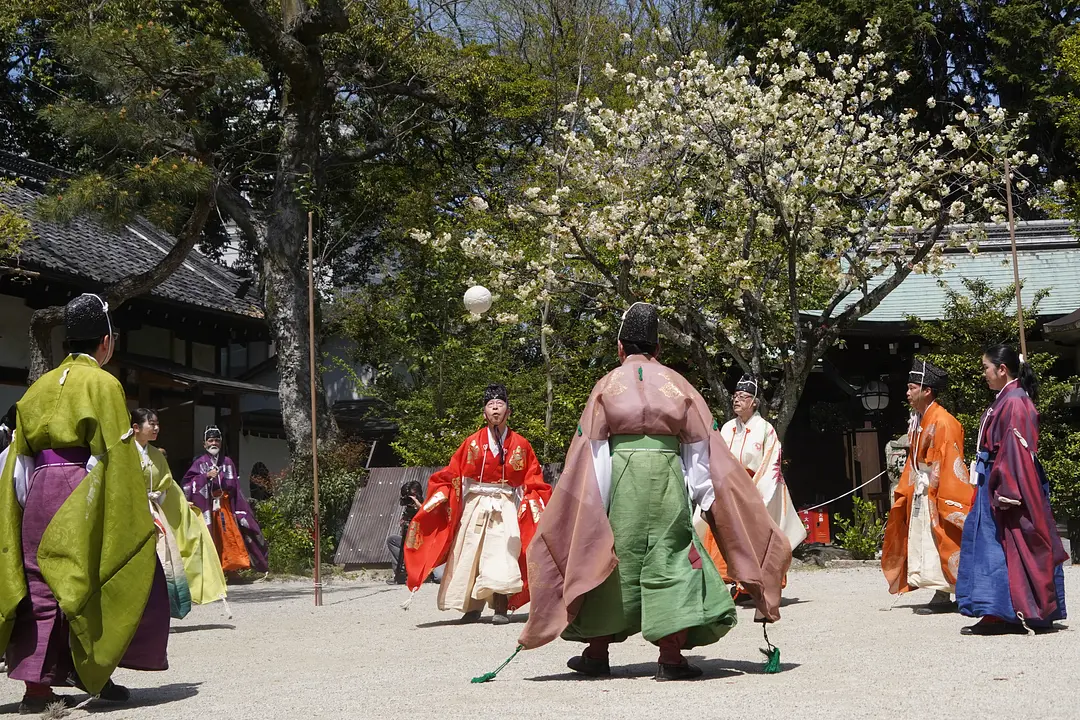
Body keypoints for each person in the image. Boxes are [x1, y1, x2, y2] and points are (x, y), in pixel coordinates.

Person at [519, 302, 791, 680]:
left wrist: (594, 506)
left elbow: (593, 453)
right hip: (666, 477)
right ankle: (670, 657)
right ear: (657, 349)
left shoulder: (606, 386)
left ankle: (597, 655)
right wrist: (708, 500)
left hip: (621, 476)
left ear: (619, 348)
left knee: (610, 555)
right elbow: (700, 451)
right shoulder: (679, 385)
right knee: (674, 555)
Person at [0, 294, 169, 713]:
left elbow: (18, 458)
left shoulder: (37, 386)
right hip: (83, 487)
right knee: (91, 579)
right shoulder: (104, 384)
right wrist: (124, 510)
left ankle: (36, 692)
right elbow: (111, 452)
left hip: (37, 487)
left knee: (40, 584)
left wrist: (22, 505)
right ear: (106, 342)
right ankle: (92, 670)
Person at [404, 384, 551, 625]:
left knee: (504, 551)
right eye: (490, 405)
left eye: (500, 404)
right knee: (471, 552)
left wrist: (535, 502)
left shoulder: (521, 445)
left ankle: (501, 605)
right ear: (484, 414)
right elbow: (451, 473)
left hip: (505, 503)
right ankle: (471, 607)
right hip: (477, 503)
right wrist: (440, 495)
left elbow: (533, 478)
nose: (495, 407)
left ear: (509, 412)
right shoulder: (471, 443)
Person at [955, 345, 1068, 635]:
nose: (983, 374)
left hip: (1008, 480)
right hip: (995, 476)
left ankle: (1001, 612)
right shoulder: (1007, 399)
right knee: (999, 544)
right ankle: (1015, 611)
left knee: (1002, 545)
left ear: (1002, 369)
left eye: (985, 368)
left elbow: (1017, 449)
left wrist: (1009, 488)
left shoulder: (1016, 401)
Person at [696, 375, 806, 598]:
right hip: (727, 490)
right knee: (718, 533)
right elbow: (714, 458)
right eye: (735, 396)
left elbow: (770, 463)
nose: (736, 400)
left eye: (742, 397)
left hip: (757, 489)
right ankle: (733, 583)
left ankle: (756, 585)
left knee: (757, 538)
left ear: (754, 402)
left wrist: (753, 494)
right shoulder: (726, 428)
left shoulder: (765, 429)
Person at [880, 358, 972, 614]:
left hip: (939, 488)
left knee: (943, 537)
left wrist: (934, 488)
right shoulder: (919, 419)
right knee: (926, 540)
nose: (907, 393)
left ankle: (954, 591)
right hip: (923, 485)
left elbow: (949, 461)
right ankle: (940, 590)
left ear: (927, 390)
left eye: (911, 388)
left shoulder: (943, 421)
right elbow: (914, 460)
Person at [132, 409, 228, 616]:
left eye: (158, 424)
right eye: (152, 424)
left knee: (162, 557)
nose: (156, 428)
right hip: (129, 510)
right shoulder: (123, 452)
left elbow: (169, 485)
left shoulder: (156, 454)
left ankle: (158, 608)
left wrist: (183, 508)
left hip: (154, 510)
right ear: (136, 428)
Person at [182, 426, 269, 573]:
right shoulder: (199, 463)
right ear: (204, 444)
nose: (213, 443)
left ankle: (232, 570)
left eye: (217, 440)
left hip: (226, 507)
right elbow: (187, 484)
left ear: (221, 443)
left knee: (230, 537)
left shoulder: (228, 462)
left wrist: (239, 508)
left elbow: (235, 485)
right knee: (210, 538)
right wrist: (205, 477)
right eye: (210, 440)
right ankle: (213, 573)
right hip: (207, 508)